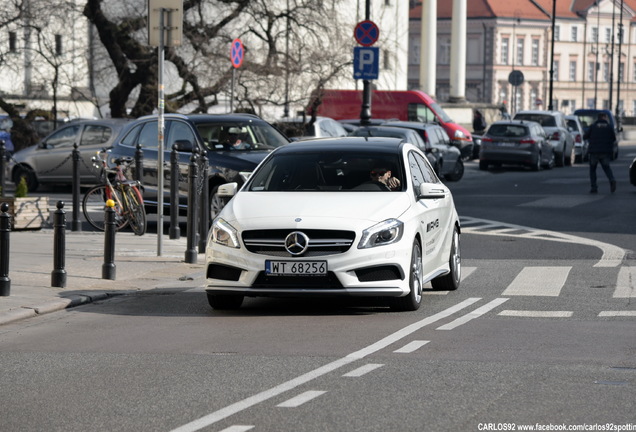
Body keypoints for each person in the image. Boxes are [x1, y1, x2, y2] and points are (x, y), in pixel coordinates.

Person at [583, 113, 616, 194]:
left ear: (598, 118)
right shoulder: (609, 127)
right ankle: (612, 180)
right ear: (604, 117)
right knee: (606, 168)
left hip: (594, 151)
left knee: (593, 169)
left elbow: (585, 136)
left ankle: (594, 187)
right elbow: (613, 138)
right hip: (605, 151)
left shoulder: (593, 126)